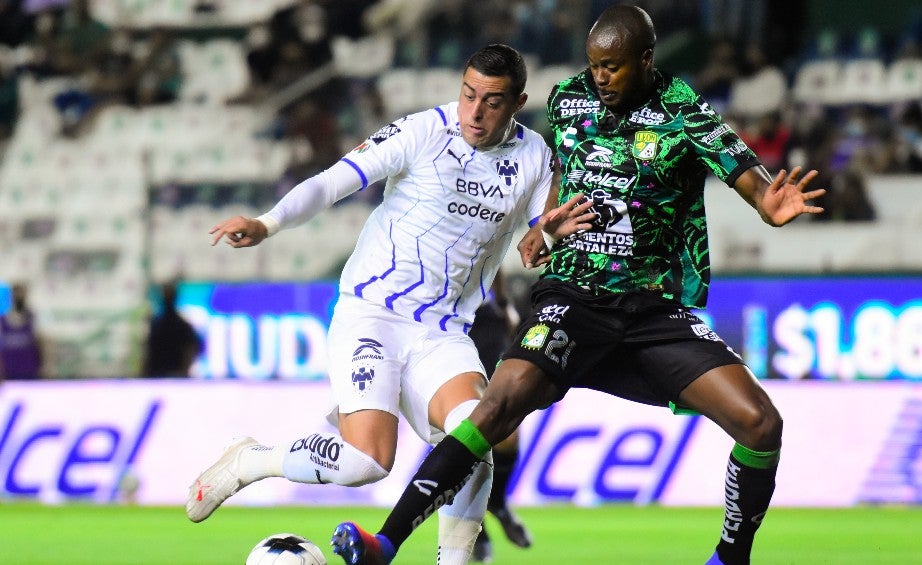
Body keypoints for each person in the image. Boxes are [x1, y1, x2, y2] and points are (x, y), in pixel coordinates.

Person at [330, 6, 825, 565]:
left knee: (760, 423)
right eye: (594, 65)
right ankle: (385, 544)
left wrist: (769, 204)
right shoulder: (568, 100)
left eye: (613, 66)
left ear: (646, 60)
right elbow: (561, 177)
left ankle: (731, 557)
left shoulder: (686, 112)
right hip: (573, 298)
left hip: (651, 310)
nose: (600, 77)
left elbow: (749, 179)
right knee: (494, 409)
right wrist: (542, 227)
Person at [186, 44, 591, 565]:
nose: (474, 111)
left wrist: (548, 237)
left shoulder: (535, 156)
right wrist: (268, 223)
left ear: (517, 103)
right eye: (468, 95)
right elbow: (333, 181)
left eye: (492, 102)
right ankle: (251, 461)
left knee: (476, 435)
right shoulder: (423, 131)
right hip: (373, 313)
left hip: (444, 331)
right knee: (367, 462)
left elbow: (544, 228)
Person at [466, 271, 532, 563]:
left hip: (483, 318)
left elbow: (492, 253)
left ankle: (498, 502)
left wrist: (504, 303)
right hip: (440, 320)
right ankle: (475, 526)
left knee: (508, 425)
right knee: (461, 427)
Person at [143, 280, 203, 377]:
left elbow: (192, 349)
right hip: (161, 377)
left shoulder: (159, 325)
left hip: (173, 377)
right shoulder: (157, 325)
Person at [0, 282, 43, 381]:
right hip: (8, 370)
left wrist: (44, 365)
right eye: (16, 294)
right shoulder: (3, 320)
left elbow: (41, 342)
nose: (19, 297)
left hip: (29, 370)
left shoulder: (33, 318)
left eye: (21, 294)